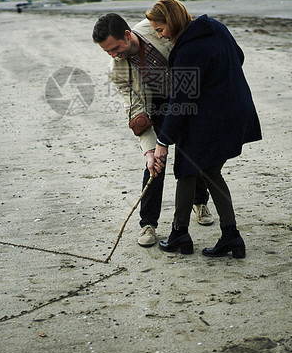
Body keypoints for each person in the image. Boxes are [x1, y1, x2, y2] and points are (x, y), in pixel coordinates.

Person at [147, 0, 261, 258]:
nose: (161, 36)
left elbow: (181, 100)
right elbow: (239, 56)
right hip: (235, 109)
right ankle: (195, 234)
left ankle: (204, 235)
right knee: (197, 170)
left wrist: (163, 142)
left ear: (173, 22)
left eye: (161, 30)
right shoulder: (216, 27)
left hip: (213, 118)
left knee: (197, 170)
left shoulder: (188, 50)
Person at [92, 13, 214, 247]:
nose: (113, 55)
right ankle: (148, 223)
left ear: (127, 35)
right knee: (155, 165)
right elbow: (135, 109)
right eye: (107, 52)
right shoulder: (116, 69)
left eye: (115, 48)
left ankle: (199, 202)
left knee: (193, 154)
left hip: (187, 97)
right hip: (155, 107)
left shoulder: (157, 27)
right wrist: (150, 151)